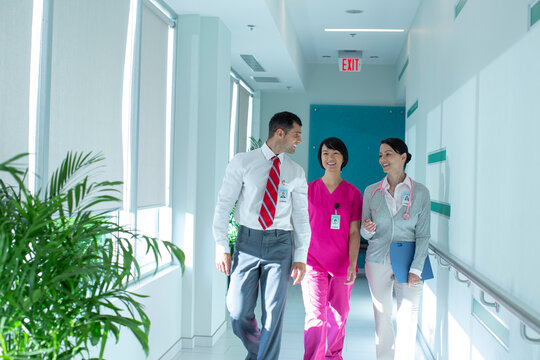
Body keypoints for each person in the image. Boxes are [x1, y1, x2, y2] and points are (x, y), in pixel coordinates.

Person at [212, 111, 311, 360]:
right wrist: (221, 244)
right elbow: (224, 204)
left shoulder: (296, 172)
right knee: (237, 310)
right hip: (247, 243)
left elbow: (301, 217)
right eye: (296, 134)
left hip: (280, 244)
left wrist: (301, 256)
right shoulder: (243, 162)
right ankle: (259, 351)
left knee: (273, 314)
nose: (299, 140)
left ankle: (266, 355)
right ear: (280, 132)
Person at [361, 138, 431, 360]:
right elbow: (364, 232)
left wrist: (417, 268)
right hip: (377, 258)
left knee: (408, 317)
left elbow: (423, 234)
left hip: (408, 261)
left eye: (388, 154)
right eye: (381, 155)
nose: (383, 159)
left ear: (403, 157)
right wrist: (368, 230)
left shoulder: (420, 192)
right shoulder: (371, 191)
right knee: (382, 315)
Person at [301, 137, 362, 360]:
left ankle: (333, 356)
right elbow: (299, 229)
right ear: (320, 158)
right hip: (313, 261)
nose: (330, 158)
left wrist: (353, 264)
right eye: (326, 153)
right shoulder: (308, 190)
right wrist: (297, 260)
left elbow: (354, 232)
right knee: (316, 316)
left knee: (339, 316)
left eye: (336, 153)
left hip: (342, 264)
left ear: (343, 158)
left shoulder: (353, 193)